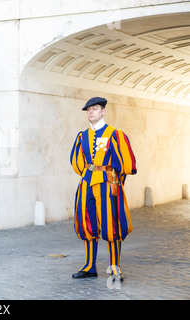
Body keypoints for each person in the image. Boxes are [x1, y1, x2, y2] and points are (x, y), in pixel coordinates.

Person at [70, 97, 137, 280]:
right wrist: (87, 175)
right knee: (87, 223)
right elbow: (77, 162)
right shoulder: (82, 135)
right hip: (87, 184)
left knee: (112, 224)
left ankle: (115, 267)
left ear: (103, 111)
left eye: (95, 109)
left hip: (108, 184)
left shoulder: (115, 134)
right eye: (88, 110)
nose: (91, 112)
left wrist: (116, 182)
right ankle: (90, 266)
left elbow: (126, 163)